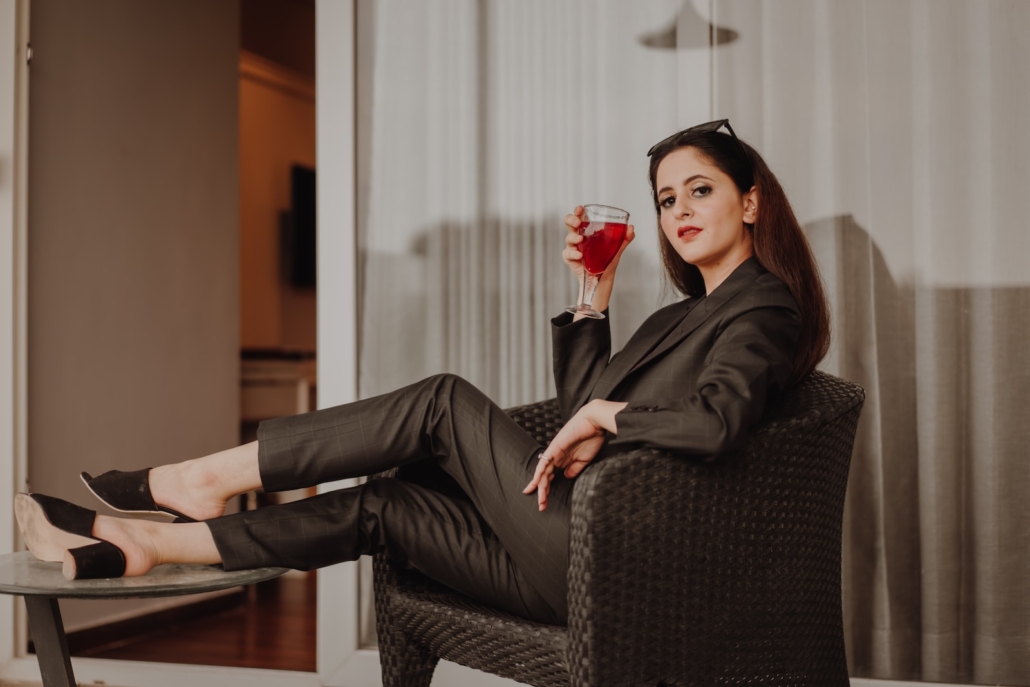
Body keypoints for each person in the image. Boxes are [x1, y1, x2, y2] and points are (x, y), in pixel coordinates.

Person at [15, 120, 829, 627]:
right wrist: (593, 296)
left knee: (440, 400)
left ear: (750, 202)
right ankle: (152, 541)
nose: (678, 211)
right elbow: (580, 402)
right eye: (663, 199)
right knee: (383, 503)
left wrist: (610, 420)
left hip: (617, 559)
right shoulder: (679, 315)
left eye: (700, 190)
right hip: (570, 552)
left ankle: (197, 476)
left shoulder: (761, 309)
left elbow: (716, 423)